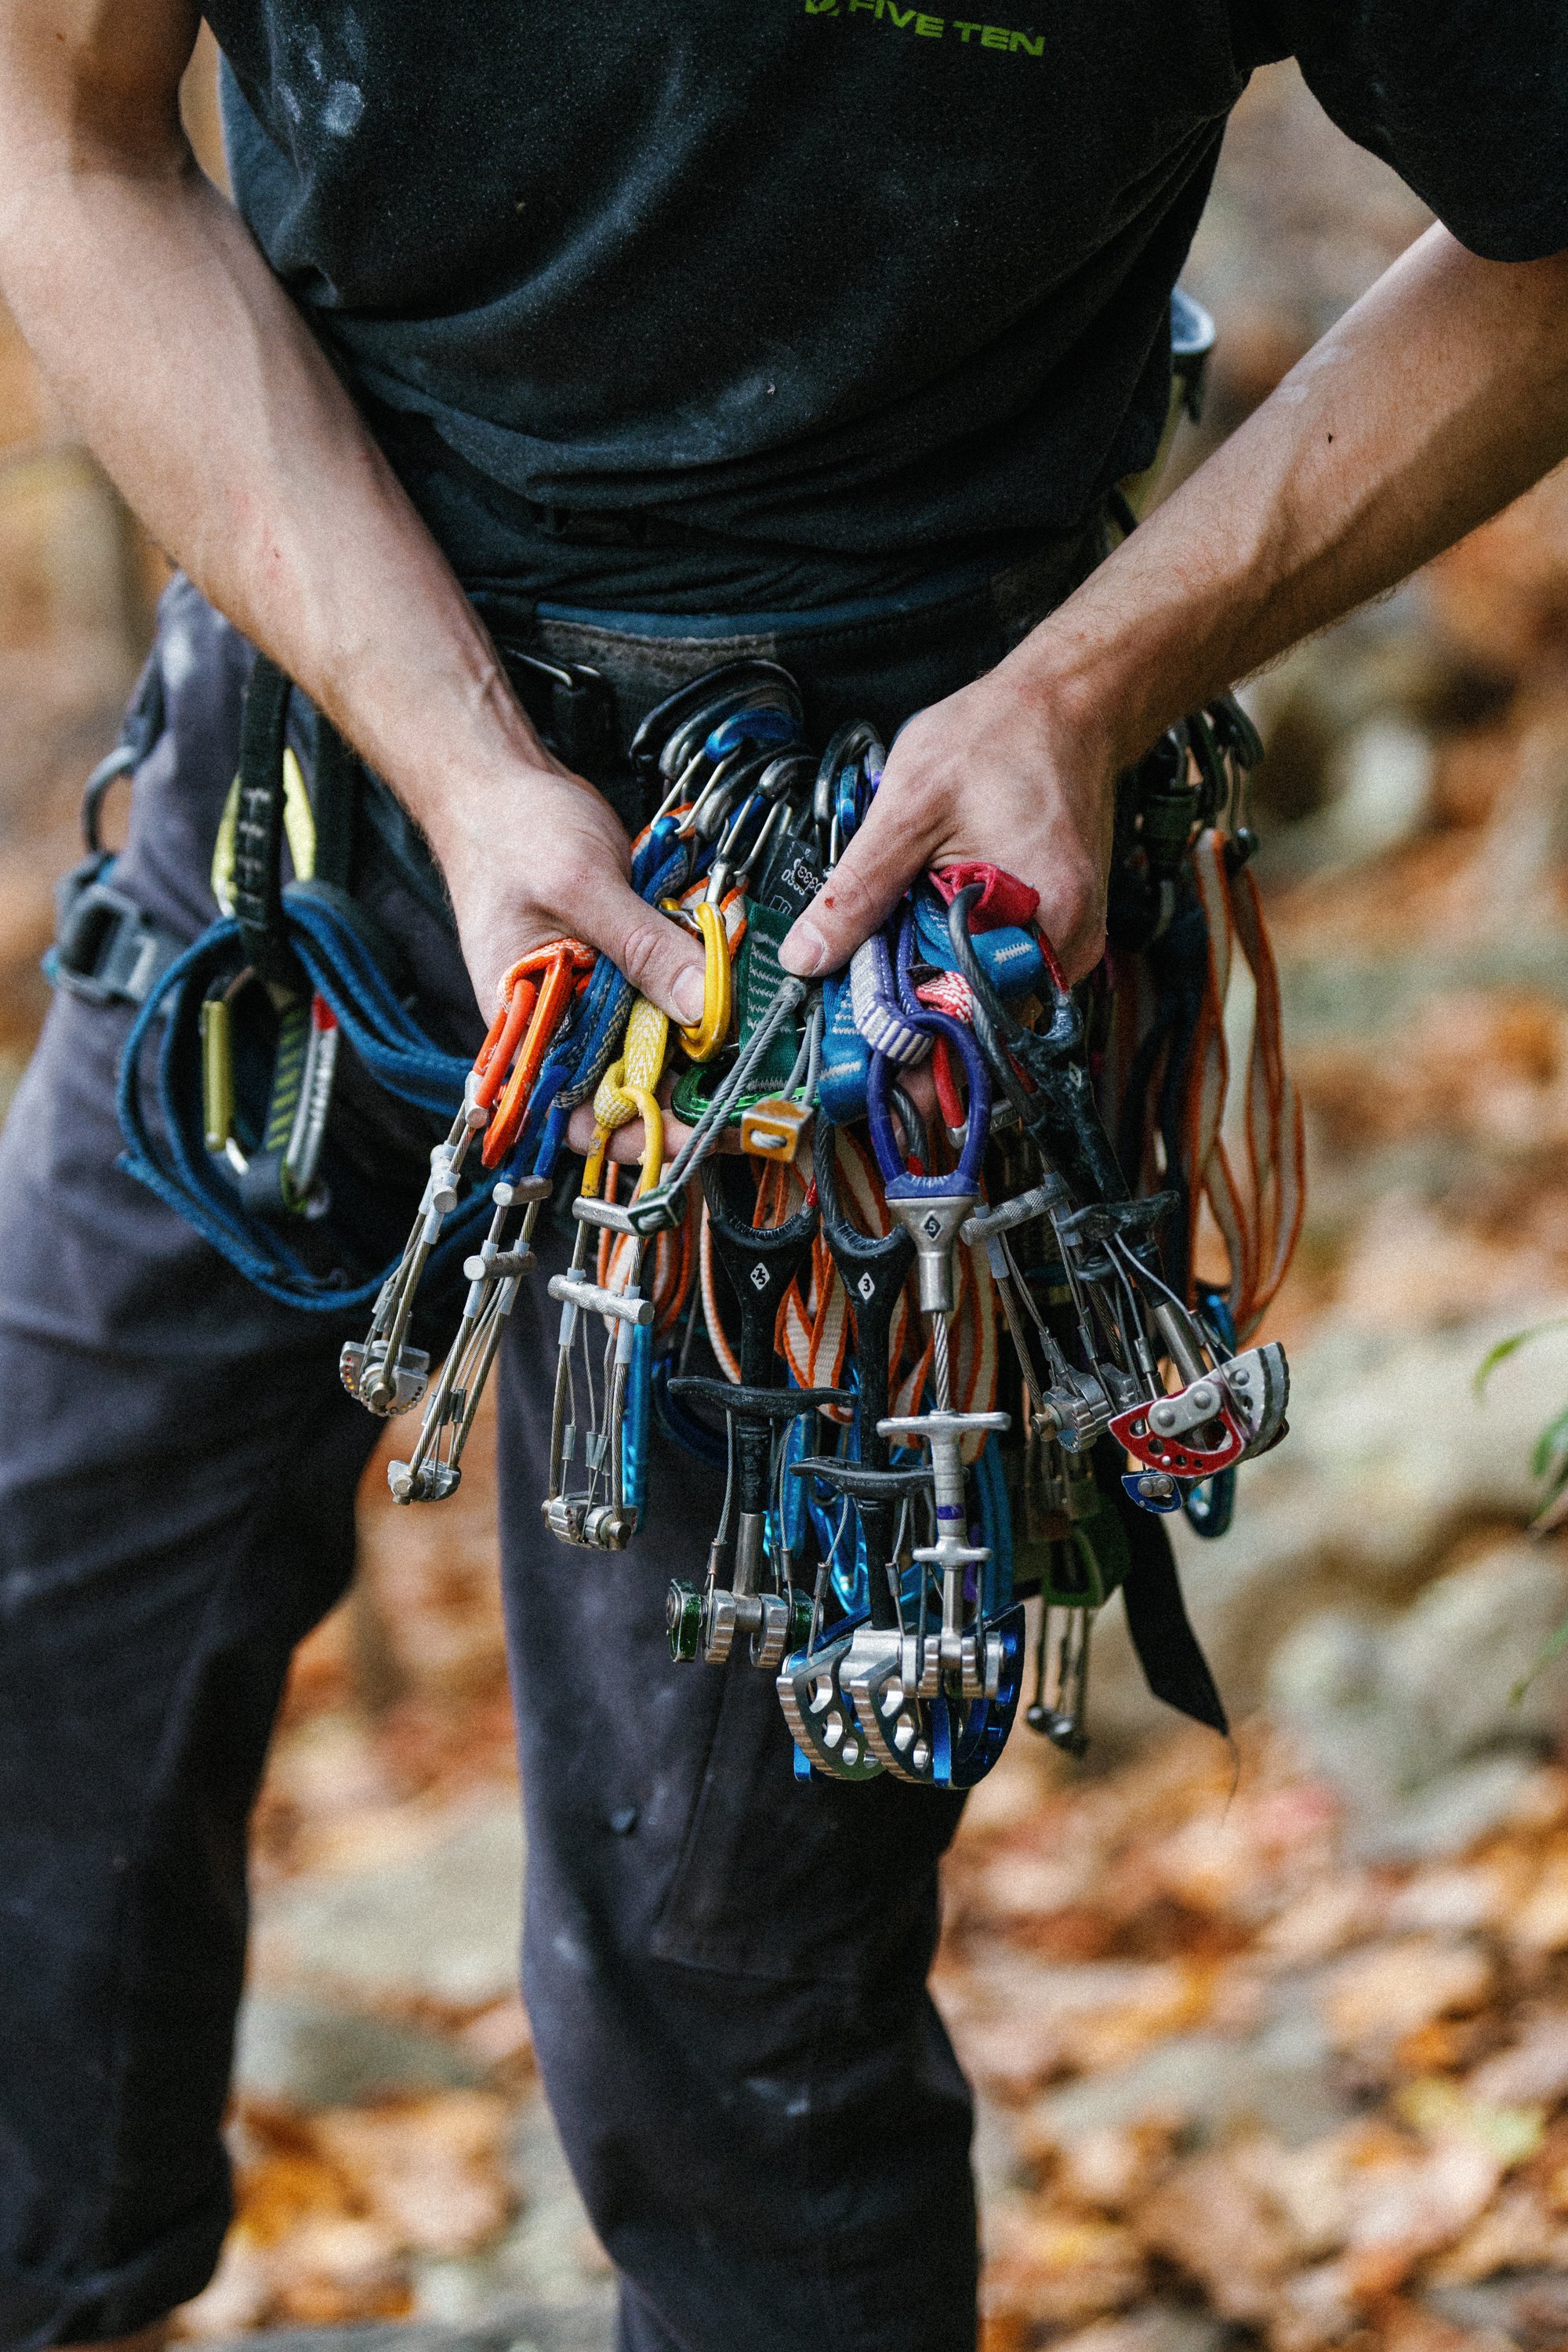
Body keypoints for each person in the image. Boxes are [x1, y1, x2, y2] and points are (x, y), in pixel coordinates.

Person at [0, 2, 1563, 2346]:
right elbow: (66, 137)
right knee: (44, 1657)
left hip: (881, 876)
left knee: (731, 1982)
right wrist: (446, 754)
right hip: (315, 792)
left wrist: (1093, 683)